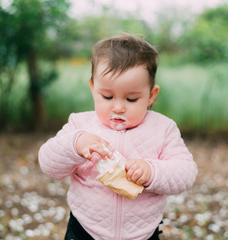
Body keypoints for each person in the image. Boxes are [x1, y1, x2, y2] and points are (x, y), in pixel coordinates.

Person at [38, 33, 197, 240]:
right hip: (85, 230)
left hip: (142, 233)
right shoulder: (80, 125)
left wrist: (152, 171)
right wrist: (75, 144)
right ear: (93, 89)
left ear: (151, 95)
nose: (119, 107)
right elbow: (48, 163)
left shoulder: (162, 129)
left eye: (131, 99)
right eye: (107, 97)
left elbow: (186, 172)